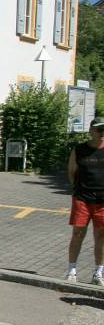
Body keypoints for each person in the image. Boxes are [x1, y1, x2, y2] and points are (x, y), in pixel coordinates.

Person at [65, 117, 104, 285]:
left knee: (101, 237)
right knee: (78, 234)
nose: (102, 133)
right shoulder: (80, 150)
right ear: (91, 131)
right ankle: (72, 271)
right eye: (99, 129)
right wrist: (78, 189)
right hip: (82, 199)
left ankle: (98, 273)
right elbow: (71, 171)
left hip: (102, 201)